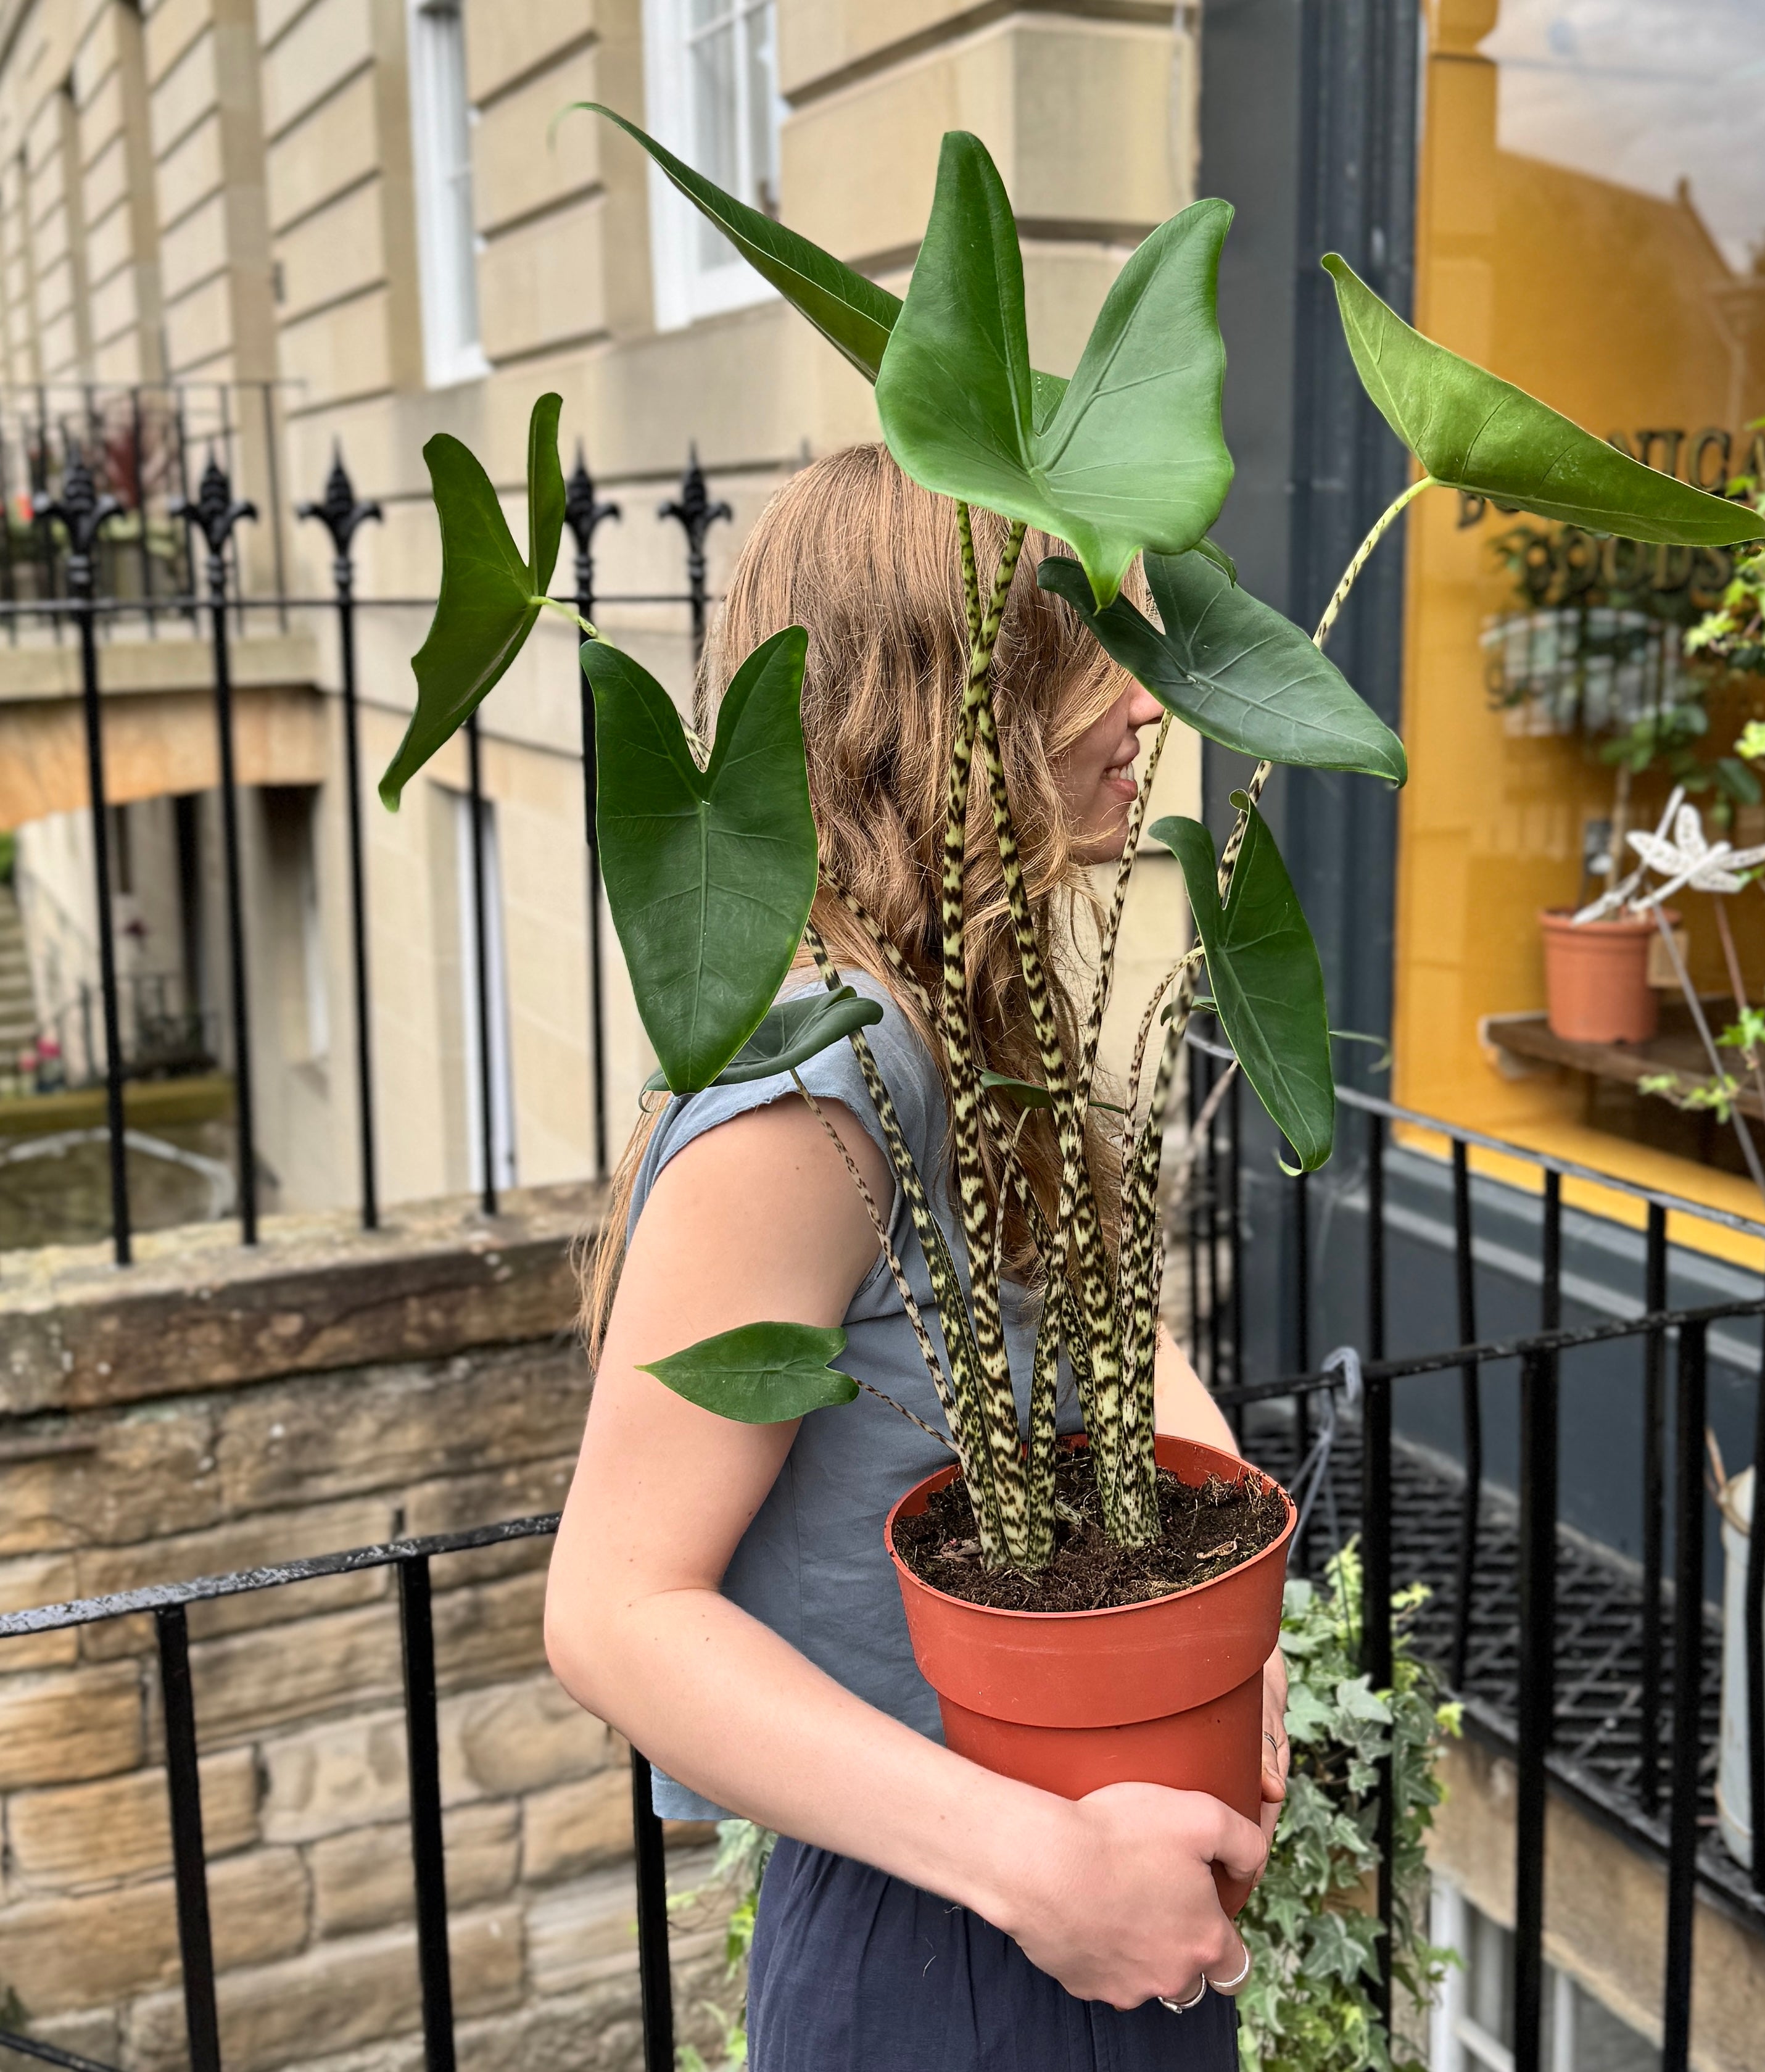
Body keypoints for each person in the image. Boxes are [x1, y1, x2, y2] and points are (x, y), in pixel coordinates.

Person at [545, 444, 1289, 2069]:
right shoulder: (824, 1087)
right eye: (1113, 663)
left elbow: (1117, 1348)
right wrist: (1045, 1874)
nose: (1154, 712)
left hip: (1083, 1896)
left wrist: (1243, 1650)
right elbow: (613, 1609)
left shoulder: (966, 1033)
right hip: (954, 1943)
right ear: (976, 699)